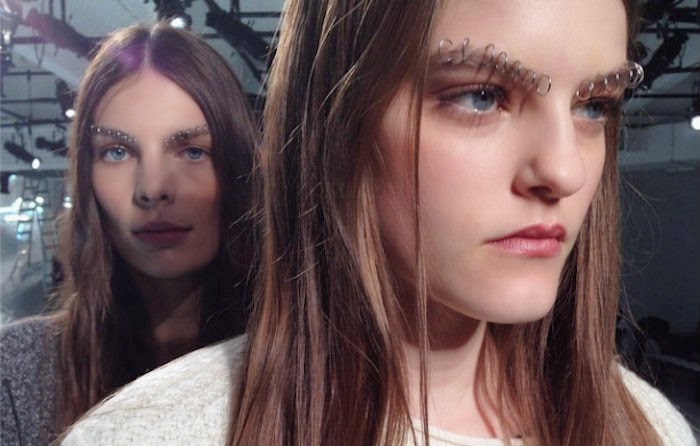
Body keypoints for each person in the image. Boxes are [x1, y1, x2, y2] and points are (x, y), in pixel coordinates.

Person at [60, 0, 697, 445]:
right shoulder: (147, 435)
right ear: (336, 122)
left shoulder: (649, 429)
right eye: (481, 95)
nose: (564, 170)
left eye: (594, 105)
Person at [0, 22, 257, 446]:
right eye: (117, 152)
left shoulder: (308, 360)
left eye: (193, 151)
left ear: (237, 166)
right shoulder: (17, 372)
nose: (152, 188)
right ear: (87, 175)